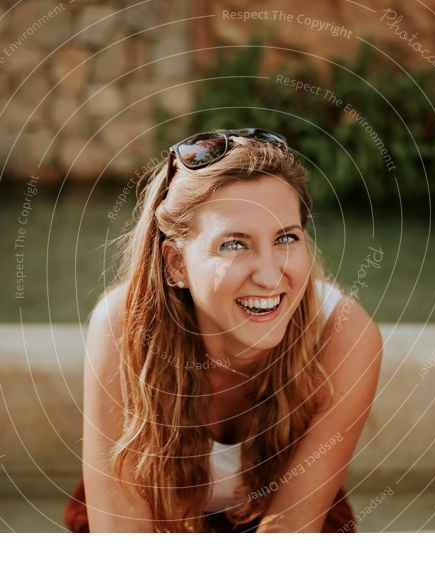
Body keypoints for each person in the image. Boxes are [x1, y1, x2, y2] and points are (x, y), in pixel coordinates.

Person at [64, 128, 382, 532]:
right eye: (234, 244)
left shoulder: (344, 333)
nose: (269, 277)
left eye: (286, 238)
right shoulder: (121, 327)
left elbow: (289, 538)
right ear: (176, 263)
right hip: (154, 514)